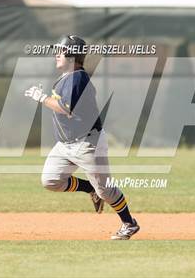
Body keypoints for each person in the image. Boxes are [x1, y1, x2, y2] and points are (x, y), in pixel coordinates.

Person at [24, 35, 140, 240]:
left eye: (60, 51)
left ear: (71, 55)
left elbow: (65, 109)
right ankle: (89, 189)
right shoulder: (67, 77)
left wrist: (41, 98)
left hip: (88, 143)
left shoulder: (77, 77)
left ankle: (129, 224)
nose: (56, 54)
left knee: (106, 190)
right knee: (51, 180)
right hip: (65, 145)